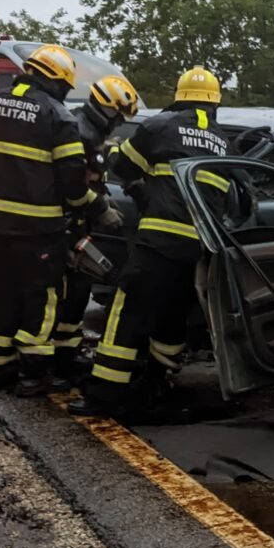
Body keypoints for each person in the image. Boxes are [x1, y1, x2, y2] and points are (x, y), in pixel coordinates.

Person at [69, 66, 233, 418]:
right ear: (215, 103)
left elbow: (123, 168)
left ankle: (104, 396)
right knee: (173, 319)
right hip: (200, 252)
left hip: (159, 243)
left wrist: (113, 152)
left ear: (179, 97)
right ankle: (157, 382)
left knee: (126, 314)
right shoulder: (223, 141)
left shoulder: (160, 127)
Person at [0, 44, 94, 397]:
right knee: (41, 299)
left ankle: (1, 371)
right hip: (40, 230)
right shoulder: (57, 116)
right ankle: (33, 376)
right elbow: (73, 180)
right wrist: (86, 206)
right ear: (56, 81)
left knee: (3, 296)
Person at [50, 74, 141, 387]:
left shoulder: (90, 131)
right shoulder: (81, 133)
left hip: (74, 223)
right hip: (66, 225)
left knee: (76, 293)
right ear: (108, 110)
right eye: (119, 116)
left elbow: (102, 172)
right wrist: (101, 209)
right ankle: (60, 363)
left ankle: (64, 356)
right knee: (71, 295)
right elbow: (75, 185)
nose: (118, 124)